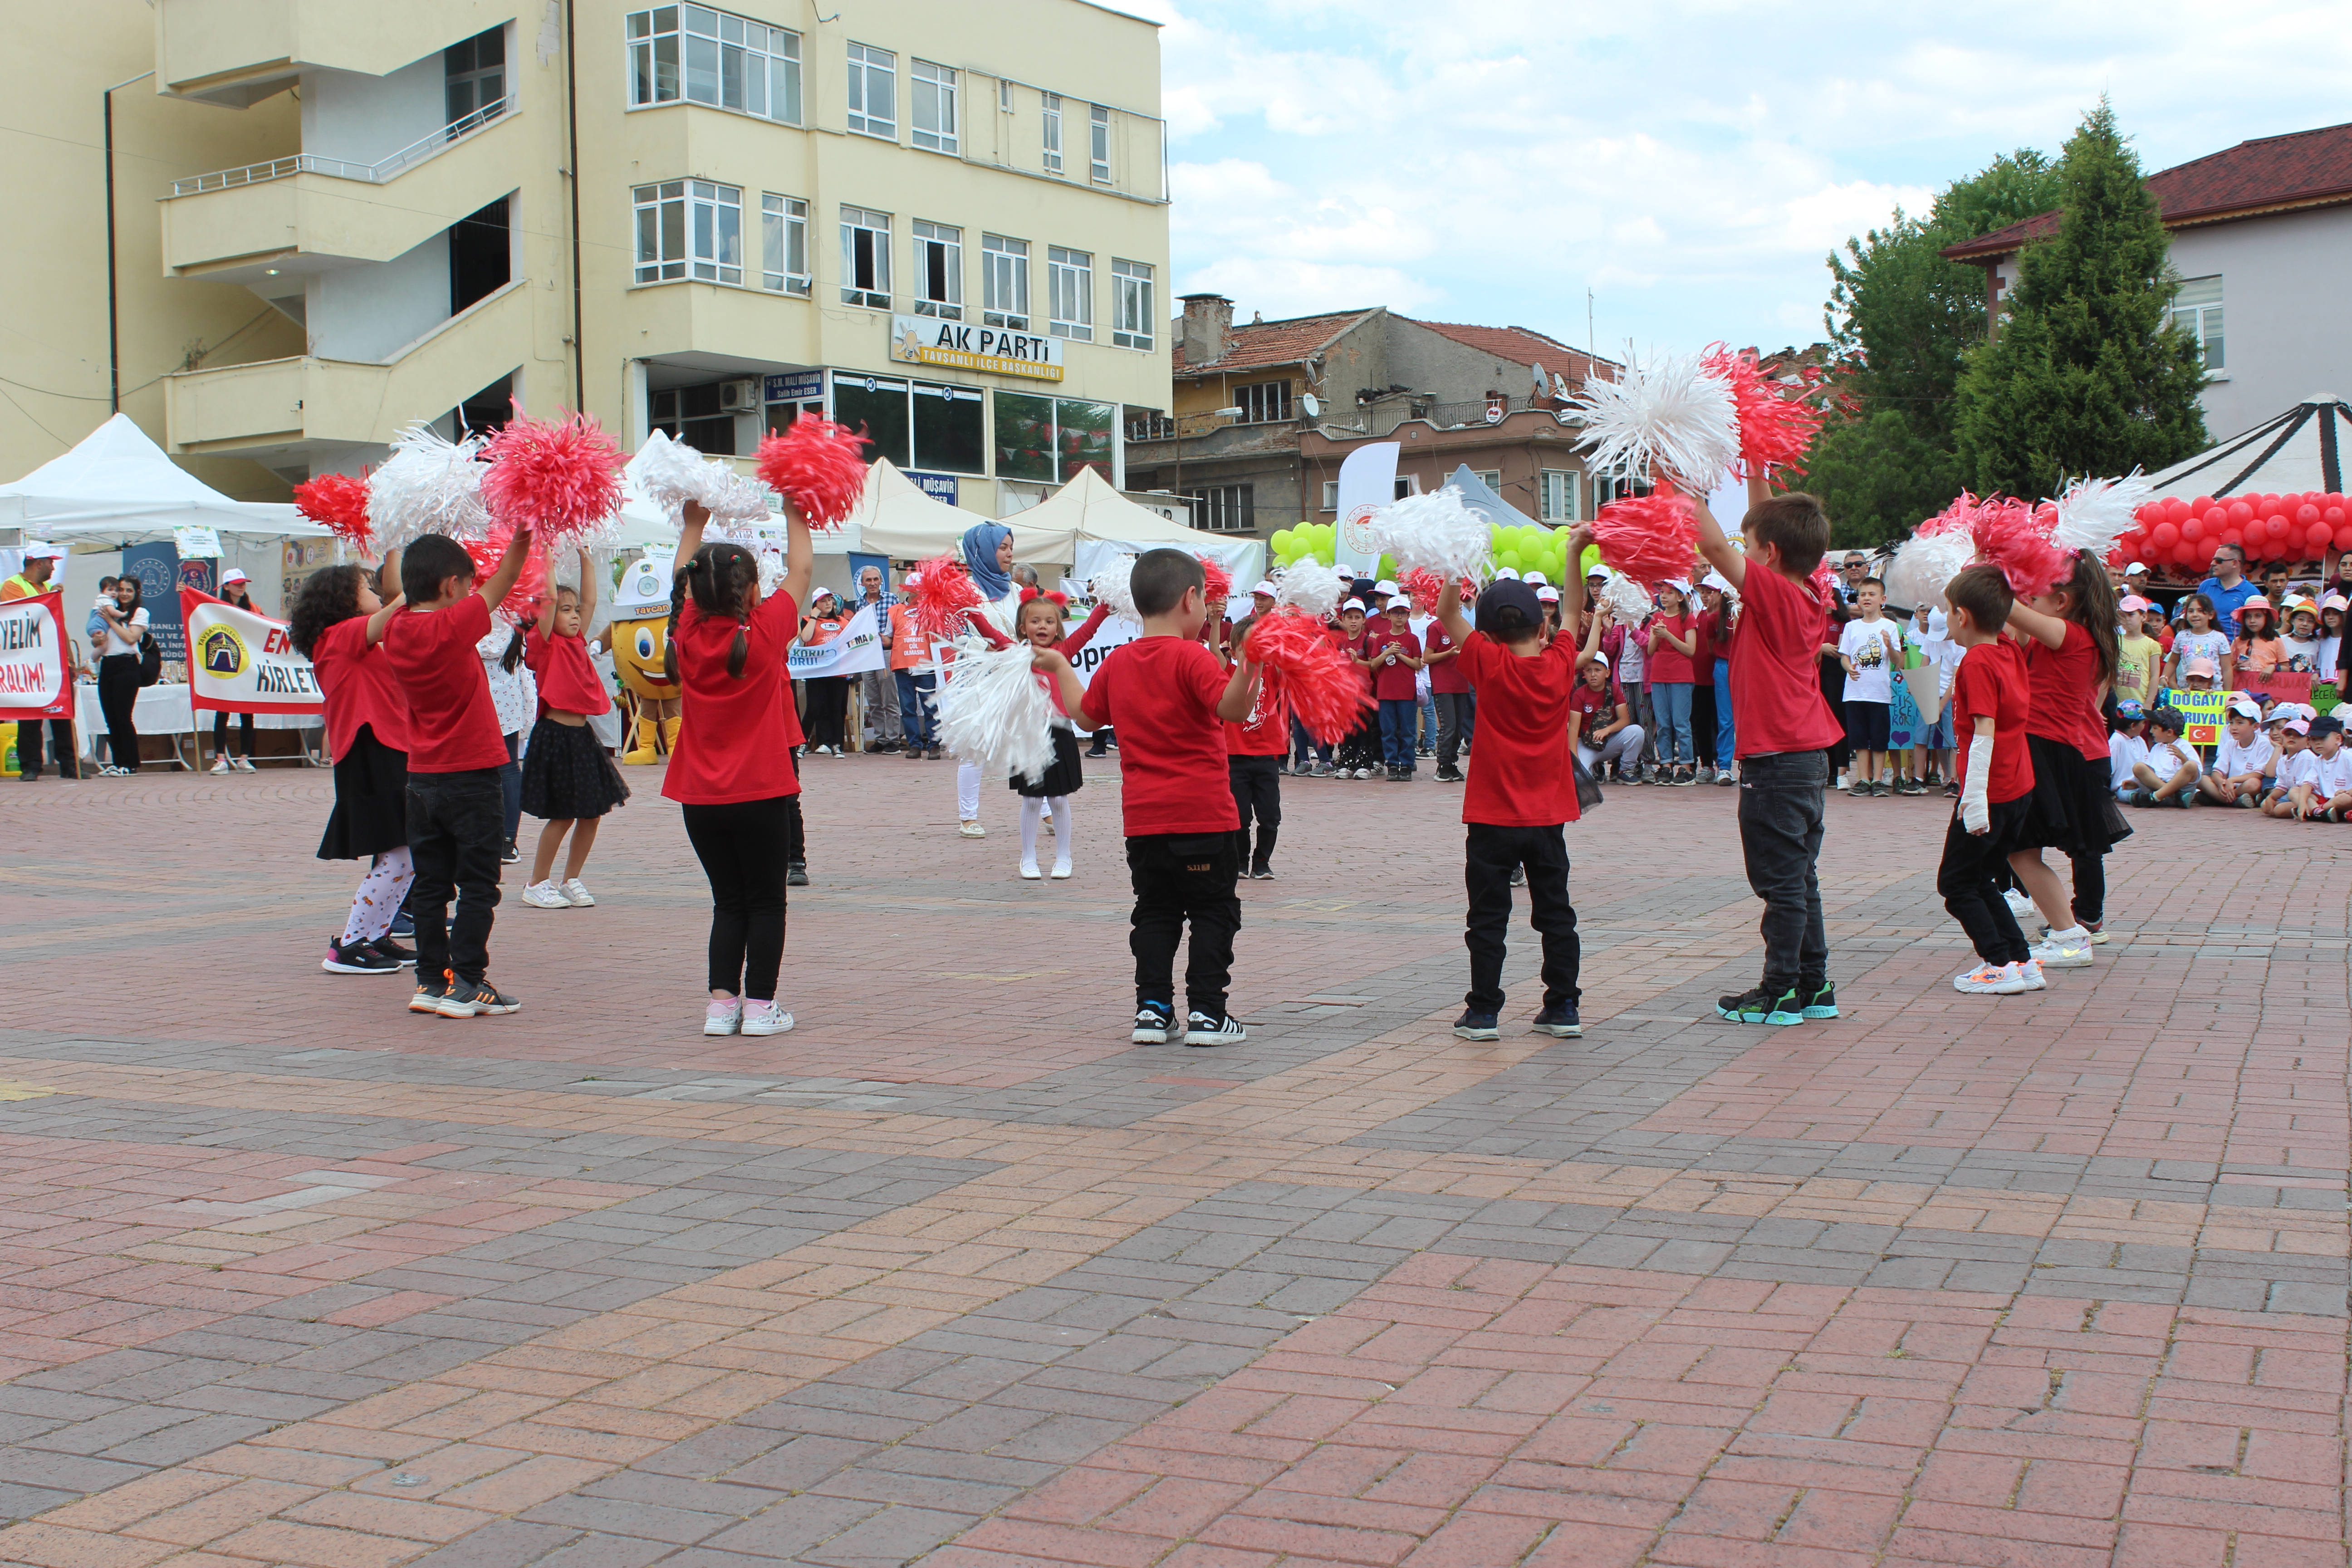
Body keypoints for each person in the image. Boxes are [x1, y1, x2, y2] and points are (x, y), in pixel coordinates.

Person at [1031, 548, 1258, 1046]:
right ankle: (1208, 1013)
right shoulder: (1193, 657)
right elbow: (1234, 709)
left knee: (1155, 913)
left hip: (1145, 822)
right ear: (1191, 598)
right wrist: (1253, 664)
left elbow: (1085, 716)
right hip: (1203, 818)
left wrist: (1058, 666)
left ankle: (1152, 1010)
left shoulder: (1118, 662)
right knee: (1213, 912)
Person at [1694, 483, 1846, 1027]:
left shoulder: (1778, 594)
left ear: (1771, 554)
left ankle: (1779, 990)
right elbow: (1760, 524)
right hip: (1800, 756)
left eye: (1749, 543)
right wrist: (1756, 463)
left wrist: (1679, 482)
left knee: (1780, 882)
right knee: (1800, 878)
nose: (1743, 551)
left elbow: (1713, 549)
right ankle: (1814, 984)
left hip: (1779, 761)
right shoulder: (1807, 593)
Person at [666, 499, 813, 1037]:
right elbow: (800, 571)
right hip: (762, 792)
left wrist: (693, 526)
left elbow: (682, 580)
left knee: (727, 902)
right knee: (766, 902)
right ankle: (761, 1009)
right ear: (753, 592)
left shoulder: (686, 634)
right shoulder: (767, 628)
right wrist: (796, 510)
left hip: (699, 800)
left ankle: (721, 1007)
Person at [382, 530, 534, 1019]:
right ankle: (468, 980)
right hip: (472, 773)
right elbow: (506, 580)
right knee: (478, 885)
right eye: (468, 586)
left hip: (422, 776)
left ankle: (431, 982)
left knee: (430, 885)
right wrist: (525, 533)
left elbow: (400, 587)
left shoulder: (397, 628)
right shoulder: (453, 624)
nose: (473, 593)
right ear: (451, 586)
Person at [1433, 565, 1587, 1040]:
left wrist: (1452, 566)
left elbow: (1445, 613)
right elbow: (1577, 611)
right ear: (1543, 627)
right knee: (1556, 912)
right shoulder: (1560, 661)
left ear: (1487, 635)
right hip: (1548, 818)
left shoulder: (1488, 661)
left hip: (1491, 817)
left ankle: (1483, 1013)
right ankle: (1562, 1007)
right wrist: (1575, 552)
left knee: (1487, 916)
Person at [290, 557, 416, 975]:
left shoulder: (349, 638)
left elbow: (396, 598)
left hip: (385, 748)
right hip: (371, 751)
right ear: (343, 598)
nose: (374, 591)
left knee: (401, 852)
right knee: (400, 853)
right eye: (365, 586)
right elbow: (401, 599)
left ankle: (373, 937)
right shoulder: (339, 636)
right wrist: (398, 545)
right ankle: (349, 944)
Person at [2005, 552, 2127, 967]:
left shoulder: (2071, 635)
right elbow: (2009, 623)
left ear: (2062, 602)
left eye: (2037, 593)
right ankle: (2068, 931)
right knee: (2023, 849)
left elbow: (2003, 605)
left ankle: (2075, 931)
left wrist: (1995, 566)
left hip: (2058, 754)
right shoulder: (2054, 634)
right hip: (2045, 750)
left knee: (2042, 849)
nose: (2028, 599)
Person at [1938, 565, 2042, 995]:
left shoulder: (1978, 660)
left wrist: (1974, 797)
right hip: (2017, 784)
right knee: (1982, 876)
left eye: (1948, 611)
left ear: (1962, 616)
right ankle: (2021, 960)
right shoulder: (2007, 649)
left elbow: (1984, 730)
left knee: (1956, 882)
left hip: (1991, 788)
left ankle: (1998, 963)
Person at [964, 589, 1111, 879]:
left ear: (1058, 627)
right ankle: (1028, 857)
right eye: (1035, 621)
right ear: (1023, 627)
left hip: (1060, 732)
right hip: (1027, 734)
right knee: (1031, 800)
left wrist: (1104, 608)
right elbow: (991, 633)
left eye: (1049, 622)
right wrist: (970, 611)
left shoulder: (1063, 652)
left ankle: (1064, 856)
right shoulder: (1015, 652)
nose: (1042, 627)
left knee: (1058, 799)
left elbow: (1088, 631)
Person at [519, 555, 630, 910]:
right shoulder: (544, 641)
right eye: (565, 610)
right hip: (556, 737)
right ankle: (537, 883)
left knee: (593, 812)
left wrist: (585, 557)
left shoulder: (577, 640)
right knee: (564, 814)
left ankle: (571, 879)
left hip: (582, 737)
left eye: (575, 611)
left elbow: (591, 601)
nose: (575, 615)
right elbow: (549, 599)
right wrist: (547, 558)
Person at [957, 522, 1019, 828]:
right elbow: (952, 635)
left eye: (1010, 547)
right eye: (1002, 547)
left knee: (1030, 740)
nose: (1009, 554)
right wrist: (985, 645)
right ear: (983, 551)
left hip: (1017, 676)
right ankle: (968, 817)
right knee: (976, 748)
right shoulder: (965, 591)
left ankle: (1046, 806)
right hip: (981, 678)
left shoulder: (1015, 589)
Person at [1, 542, 78, 780]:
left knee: (64, 712)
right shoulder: (12, 587)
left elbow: (58, 626)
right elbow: (26, 616)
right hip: (29, 662)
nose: (54, 567)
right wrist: (50, 596)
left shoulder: (46, 588)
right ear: (39, 563)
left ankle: (70, 764)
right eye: (51, 562)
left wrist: (70, 660)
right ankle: (31, 765)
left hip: (52, 660)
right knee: (31, 715)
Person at [1223, 608, 1288, 880]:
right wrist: (1216, 622)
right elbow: (1216, 655)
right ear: (1234, 650)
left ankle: (1262, 862)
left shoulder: (1272, 672)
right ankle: (1240, 862)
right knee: (1239, 817)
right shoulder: (1227, 672)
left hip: (1267, 756)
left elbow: (1289, 659)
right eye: (1244, 647)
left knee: (1270, 815)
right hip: (1235, 756)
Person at [1830, 577, 1900, 795]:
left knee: (1879, 738)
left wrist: (1890, 646)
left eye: (1872, 594)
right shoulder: (1851, 627)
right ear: (1857, 599)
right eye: (1863, 594)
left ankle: (1878, 780)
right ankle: (1863, 779)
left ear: (1883, 599)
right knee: (1859, 738)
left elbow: (1900, 662)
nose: (1867, 598)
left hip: (1879, 693)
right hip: (1854, 692)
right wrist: (1848, 667)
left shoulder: (1891, 626)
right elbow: (1844, 656)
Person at [476, 612, 535, 865]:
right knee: (509, 768)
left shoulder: (469, 608)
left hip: (475, 695)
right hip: (507, 695)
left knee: (475, 770)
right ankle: (508, 841)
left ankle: (480, 838)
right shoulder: (510, 611)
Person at [93, 574, 149, 776]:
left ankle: (130, 763)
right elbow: (98, 639)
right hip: (107, 665)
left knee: (123, 716)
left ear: (136, 593)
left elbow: (130, 637)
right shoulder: (108, 608)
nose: (124, 594)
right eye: (121, 590)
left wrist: (110, 620)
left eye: (129, 590)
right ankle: (117, 762)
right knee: (111, 718)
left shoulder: (139, 613)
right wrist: (97, 639)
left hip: (127, 666)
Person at [1363, 597, 1424, 781]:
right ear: (1388, 615)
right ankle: (1392, 764)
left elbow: (1417, 664)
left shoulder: (1412, 639)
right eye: (1396, 613)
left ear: (1408, 616)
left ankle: (1406, 764)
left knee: (1407, 731)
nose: (1400, 617)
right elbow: (1374, 665)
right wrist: (1387, 652)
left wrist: (1398, 654)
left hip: (1407, 692)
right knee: (1388, 730)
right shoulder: (1382, 638)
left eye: (1404, 613)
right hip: (1386, 692)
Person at [207, 568, 261, 772]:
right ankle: (220, 760)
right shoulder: (216, 607)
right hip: (225, 666)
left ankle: (244, 759)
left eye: (244, 583)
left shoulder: (254, 608)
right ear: (226, 587)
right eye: (237, 583)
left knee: (247, 712)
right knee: (222, 710)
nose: (241, 586)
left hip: (247, 666)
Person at [1644, 580, 1699, 784]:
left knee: (1681, 723)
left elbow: (1690, 650)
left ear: (1680, 597)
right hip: (1659, 676)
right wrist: (1658, 635)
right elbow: (1650, 651)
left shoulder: (1688, 618)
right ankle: (1666, 766)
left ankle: (1686, 767)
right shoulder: (1657, 618)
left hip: (1681, 677)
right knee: (1664, 724)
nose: (1664, 596)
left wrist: (1667, 635)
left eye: (1669, 593)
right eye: (1662, 592)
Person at [1567, 645, 1645, 782]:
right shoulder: (1580, 694)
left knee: (1637, 732)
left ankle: (1626, 769)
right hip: (1586, 744)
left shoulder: (1614, 690)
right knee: (1579, 778)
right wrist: (1575, 758)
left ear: (1607, 673)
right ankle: (1593, 769)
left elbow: (1624, 720)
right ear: (1584, 673)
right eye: (1589, 670)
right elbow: (1573, 728)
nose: (1593, 674)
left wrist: (1607, 730)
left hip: (1609, 742)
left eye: (1598, 670)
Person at [887, 572, 941, 761]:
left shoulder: (932, 609)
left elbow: (940, 634)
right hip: (903, 667)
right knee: (908, 708)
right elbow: (888, 637)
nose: (919, 593)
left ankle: (934, 745)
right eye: (915, 589)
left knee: (930, 707)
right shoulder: (894, 610)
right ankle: (915, 745)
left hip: (926, 666)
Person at [852, 564, 902, 752]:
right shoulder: (860, 603)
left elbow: (900, 625)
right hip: (867, 654)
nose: (873, 583)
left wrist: (889, 640)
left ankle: (893, 739)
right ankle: (880, 738)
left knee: (889, 698)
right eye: (868, 580)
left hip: (886, 652)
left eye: (875, 579)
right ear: (863, 583)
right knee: (873, 700)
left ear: (881, 581)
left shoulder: (892, 599)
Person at [1423, 603, 1472, 783]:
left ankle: (1452, 763)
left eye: (1460, 607)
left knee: (1459, 728)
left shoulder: (1464, 628)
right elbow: (1427, 657)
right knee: (1449, 726)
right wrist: (1449, 653)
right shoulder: (1436, 627)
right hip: (1443, 685)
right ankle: (1443, 765)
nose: (1458, 609)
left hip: (1461, 683)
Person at [1695, 574, 1737, 785]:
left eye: (1712, 592)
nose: (1708, 596)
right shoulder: (1712, 619)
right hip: (1723, 667)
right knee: (1726, 719)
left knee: (1746, 718)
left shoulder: (1745, 614)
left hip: (1744, 668)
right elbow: (1712, 647)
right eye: (1705, 592)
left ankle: (1749, 765)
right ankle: (1725, 768)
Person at [1332, 599, 1379, 778]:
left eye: (1357, 617)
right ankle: (1346, 763)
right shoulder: (1340, 642)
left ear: (1364, 620)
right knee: (1347, 729)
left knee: (1363, 729)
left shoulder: (1369, 642)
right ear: (1343, 620)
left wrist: (1358, 661)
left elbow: (1374, 666)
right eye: (1350, 617)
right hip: (1344, 695)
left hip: (1364, 695)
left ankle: (1364, 764)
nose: (1353, 621)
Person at [2199, 697, 2274, 807]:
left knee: (2254, 784)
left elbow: (2258, 774)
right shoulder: (2230, 744)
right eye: (2232, 723)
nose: (2234, 728)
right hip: (2228, 785)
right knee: (2202, 779)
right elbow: (2217, 770)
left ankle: (2223, 799)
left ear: (2255, 726)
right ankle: (2231, 800)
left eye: (2240, 723)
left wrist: (2232, 780)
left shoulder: (2264, 744)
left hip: (2243, 786)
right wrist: (2220, 783)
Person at [2127, 708, 2200, 807]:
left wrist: (2183, 758)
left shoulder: (2184, 745)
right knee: (2138, 767)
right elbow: (2150, 771)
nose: (2151, 731)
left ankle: (2154, 798)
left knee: (2191, 765)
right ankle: (2175, 797)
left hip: (2181, 788)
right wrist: (2136, 784)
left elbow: (2197, 772)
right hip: (2158, 786)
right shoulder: (2157, 747)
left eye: (2155, 728)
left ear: (2170, 732)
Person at [2164, 595, 2233, 692]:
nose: (2195, 615)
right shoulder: (2182, 636)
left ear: (2211, 615)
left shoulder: (2220, 638)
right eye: (2191, 611)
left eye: (2200, 611)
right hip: (2186, 692)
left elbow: (2227, 669)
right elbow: (2173, 662)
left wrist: (2226, 695)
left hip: (2213, 693)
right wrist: (2164, 677)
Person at [2195, 543, 2264, 638]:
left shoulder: (2252, 592)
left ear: (2235, 563)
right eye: (2213, 560)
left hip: (2236, 650)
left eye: (2219, 561)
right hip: (2205, 647)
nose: (2213, 564)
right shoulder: (2206, 586)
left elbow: (2259, 628)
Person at [2112, 596, 2165, 710]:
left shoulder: (2152, 645)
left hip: (2139, 704)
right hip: (2116, 704)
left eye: (2131, 615)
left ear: (2144, 616)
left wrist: (2148, 703)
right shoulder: (2115, 641)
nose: (2126, 619)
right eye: (2123, 615)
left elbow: (2155, 676)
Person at [2262, 717, 2316, 816]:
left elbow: (2302, 788)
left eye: (2299, 736)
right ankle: (2304, 811)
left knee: (2279, 810)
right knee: (2265, 805)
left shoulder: (2306, 755)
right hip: (2294, 795)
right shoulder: (2283, 760)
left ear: (2308, 743)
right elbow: (2283, 786)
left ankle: (2314, 811)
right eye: (2288, 735)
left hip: (2312, 797)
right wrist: (2271, 798)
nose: (2292, 738)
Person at [2107, 700, 2150, 801]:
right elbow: (2110, 768)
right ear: (2133, 726)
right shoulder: (2117, 740)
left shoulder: (2139, 740)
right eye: (2144, 723)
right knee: (2125, 794)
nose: (2145, 726)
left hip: (2144, 783)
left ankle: (2153, 796)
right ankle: (2142, 799)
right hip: (2124, 786)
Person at [2230, 598, 2283, 677]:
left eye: (2258, 616)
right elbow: (2227, 668)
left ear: (2267, 618)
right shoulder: (2238, 641)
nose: (2252, 621)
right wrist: (2236, 668)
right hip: (2243, 686)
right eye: (2248, 616)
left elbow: (2286, 668)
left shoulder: (2276, 641)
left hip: (2269, 687)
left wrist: (2273, 667)